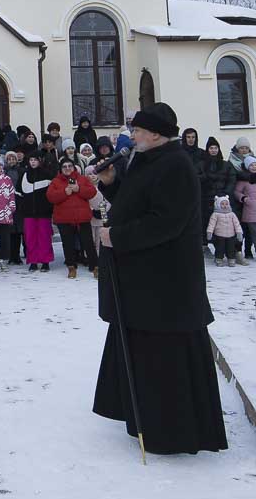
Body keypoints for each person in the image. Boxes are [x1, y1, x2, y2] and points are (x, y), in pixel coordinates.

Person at [92, 102, 227, 456]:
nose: (131, 135)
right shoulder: (149, 160)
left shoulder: (176, 165)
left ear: (154, 134)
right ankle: (148, 423)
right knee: (147, 357)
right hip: (146, 283)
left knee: (166, 363)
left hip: (167, 284)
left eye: (136, 130)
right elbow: (137, 203)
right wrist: (111, 185)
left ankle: (171, 433)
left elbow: (166, 221)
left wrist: (116, 237)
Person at [47, 155, 97, 279]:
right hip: (64, 219)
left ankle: (95, 267)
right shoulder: (56, 181)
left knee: (88, 244)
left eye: (70, 166)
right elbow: (50, 197)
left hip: (82, 218)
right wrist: (64, 192)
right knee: (68, 245)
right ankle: (71, 267)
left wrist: (79, 189)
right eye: (64, 166)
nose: (67, 168)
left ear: (74, 168)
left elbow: (92, 192)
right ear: (61, 169)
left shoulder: (82, 179)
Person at [17, 152, 55, 272]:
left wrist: (49, 209)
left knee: (44, 238)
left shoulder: (47, 174)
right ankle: (32, 261)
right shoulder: (24, 175)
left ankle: (45, 261)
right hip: (28, 213)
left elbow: (51, 195)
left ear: (40, 161)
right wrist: (22, 208)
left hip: (44, 213)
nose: (33, 162)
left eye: (35, 160)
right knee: (30, 238)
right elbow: (18, 193)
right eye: (31, 160)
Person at [206, 196, 243, 266]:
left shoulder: (232, 214)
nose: (224, 206)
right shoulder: (215, 214)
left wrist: (239, 232)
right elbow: (211, 224)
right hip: (219, 235)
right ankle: (219, 259)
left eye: (226, 204)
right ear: (217, 205)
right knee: (220, 248)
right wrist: (209, 232)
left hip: (231, 236)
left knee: (231, 248)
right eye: (222, 204)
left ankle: (231, 259)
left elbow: (236, 224)